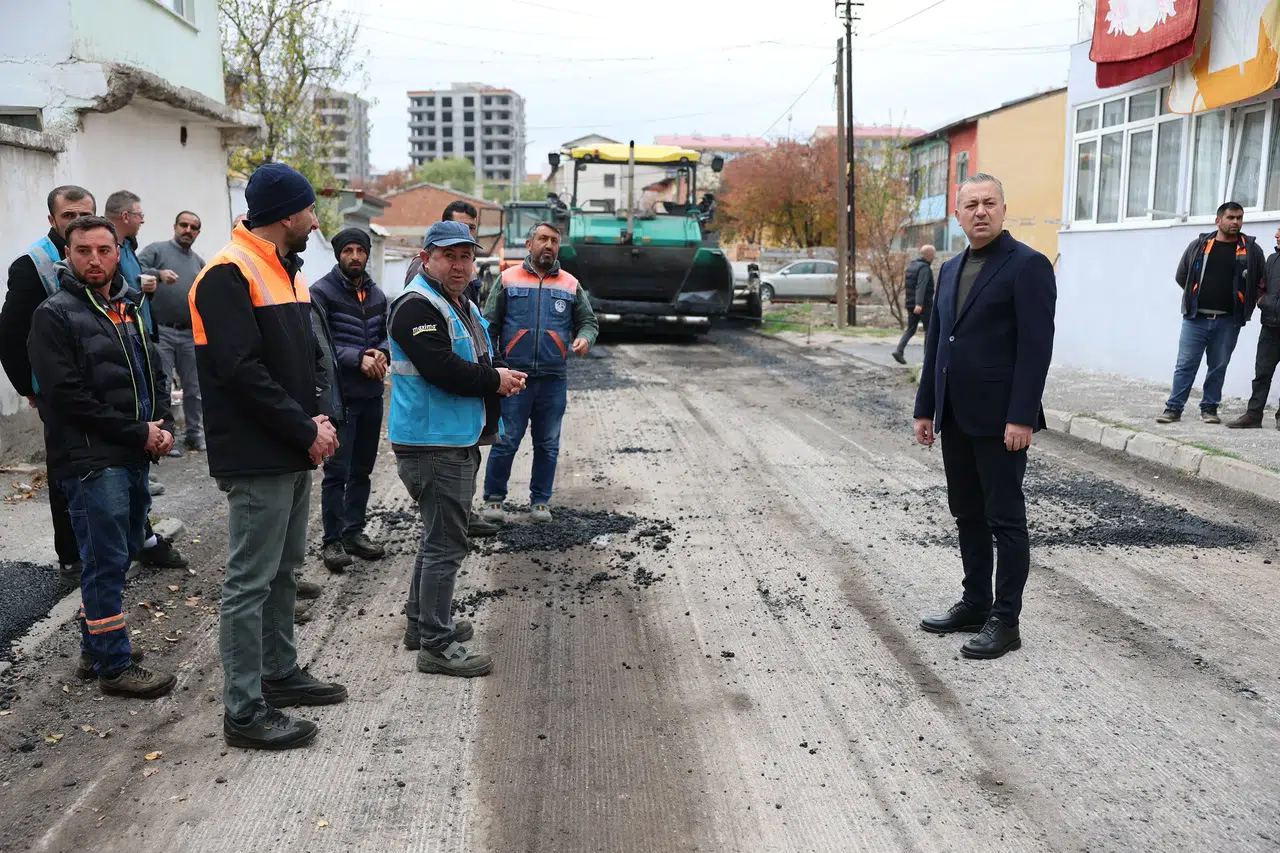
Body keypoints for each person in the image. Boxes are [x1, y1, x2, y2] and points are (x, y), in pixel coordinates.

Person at [190, 163, 346, 750]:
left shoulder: (286, 269)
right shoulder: (228, 273)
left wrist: (318, 418)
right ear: (287, 215)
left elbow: (298, 360)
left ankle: (279, 675)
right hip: (259, 453)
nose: (314, 220)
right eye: (309, 210)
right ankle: (244, 710)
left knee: (284, 571)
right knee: (249, 581)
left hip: (290, 446)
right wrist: (303, 427)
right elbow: (240, 373)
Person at [29, 215, 177, 697]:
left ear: (118, 252)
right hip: (91, 460)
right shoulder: (54, 314)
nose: (94, 259)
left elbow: (153, 369)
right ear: (66, 256)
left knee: (123, 549)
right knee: (106, 559)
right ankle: (114, 666)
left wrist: (164, 428)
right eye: (83, 250)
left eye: (103, 250)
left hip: (132, 451)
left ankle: (97, 647)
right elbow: (66, 397)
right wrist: (139, 432)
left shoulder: (128, 307)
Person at [913, 173, 1056, 661]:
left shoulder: (1028, 266)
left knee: (1005, 519)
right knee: (966, 513)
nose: (980, 211)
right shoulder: (950, 269)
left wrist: (1020, 417)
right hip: (955, 415)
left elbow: (1036, 350)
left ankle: (1005, 620)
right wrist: (925, 407)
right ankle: (975, 603)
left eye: (989, 203)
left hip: (1001, 421)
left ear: (1002, 208)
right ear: (957, 214)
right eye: (971, 204)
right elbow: (937, 344)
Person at [389, 220, 526, 677]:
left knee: (436, 537)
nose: (460, 264)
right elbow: (440, 368)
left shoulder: (457, 303)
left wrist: (501, 372)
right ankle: (436, 643)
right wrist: (494, 381)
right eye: (449, 256)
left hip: (450, 437)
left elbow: (478, 355)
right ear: (426, 257)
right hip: (433, 443)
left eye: (466, 256)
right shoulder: (417, 305)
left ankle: (420, 623)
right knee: (447, 544)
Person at [0, 185, 97, 584]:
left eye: (84, 214)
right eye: (69, 216)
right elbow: (10, 334)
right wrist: (29, 388)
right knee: (66, 471)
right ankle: (71, 557)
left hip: (107, 383)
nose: (77, 222)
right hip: (57, 389)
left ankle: (128, 539)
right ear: (53, 221)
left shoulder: (101, 252)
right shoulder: (32, 265)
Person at [482, 222, 598, 524]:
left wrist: (585, 338)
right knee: (506, 441)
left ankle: (541, 501)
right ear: (529, 244)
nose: (549, 245)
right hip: (514, 379)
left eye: (554, 241)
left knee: (547, 443)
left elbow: (589, 321)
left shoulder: (570, 284)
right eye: (543, 239)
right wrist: (495, 367)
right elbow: (488, 325)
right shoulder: (508, 279)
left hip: (553, 380)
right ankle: (494, 500)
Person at [104, 191, 188, 567]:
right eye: (139, 214)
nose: (97, 259)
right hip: (121, 369)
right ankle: (120, 549)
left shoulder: (130, 249)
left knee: (138, 471)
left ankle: (144, 537)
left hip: (143, 341)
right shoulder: (63, 313)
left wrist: (163, 426)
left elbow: (129, 293)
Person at [311, 227, 389, 571]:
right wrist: (358, 357)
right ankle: (332, 541)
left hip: (372, 394)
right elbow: (320, 343)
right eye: (348, 250)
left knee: (362, 469)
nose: (355, 256)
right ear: (337, 254)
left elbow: (389, 335)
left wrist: (382, 353)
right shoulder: (321, 293)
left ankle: (354, 531)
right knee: (336, 470)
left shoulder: (377, 295)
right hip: (340, 397)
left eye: (360, 250)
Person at [1158, 201, 1266, 425]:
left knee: (1218, 367)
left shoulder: (1251, 250)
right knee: (1185, 364)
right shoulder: (1200, 245)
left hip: (1228, 321)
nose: (1236, 222)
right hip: (1195, 318)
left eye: (1239, 218)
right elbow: (1182, 275)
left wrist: (1248, 304)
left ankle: (1209, 409)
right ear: (1218, 221)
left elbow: (1260, 282)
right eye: (1231, 218)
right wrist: (1195, 297)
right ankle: (1173, 408)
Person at [139, 210, 207, 454]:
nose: (188, 230)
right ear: (175, 226)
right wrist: (158, 274)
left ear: (198, 233)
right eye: (183, 225)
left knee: (194, 388)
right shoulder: (157, 250)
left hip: (190, 334)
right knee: (163, 386)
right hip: (162, 331)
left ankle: (194, 435)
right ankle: (167, 438)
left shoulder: (199, 262)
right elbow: (133, 268)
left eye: (194, 227)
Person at [1229, 226, 1280, 429]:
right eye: (1277, 231)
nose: (1276, 235)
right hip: (1270, 326)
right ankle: (1254, 415)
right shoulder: (1272, 259)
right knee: (1262, 373)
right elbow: (1262, 285)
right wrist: (1262, 300)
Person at [893, 245, 936, 364]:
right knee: (930, 330)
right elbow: (920, 286)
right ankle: (927, 358)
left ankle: (899, 351)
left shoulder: (912, 265)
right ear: (929, 255)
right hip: (923, 305)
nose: (934, 257)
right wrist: (919, 303)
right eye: (933, 255)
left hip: (910, 302)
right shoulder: (924, 268)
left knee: (911, 328)